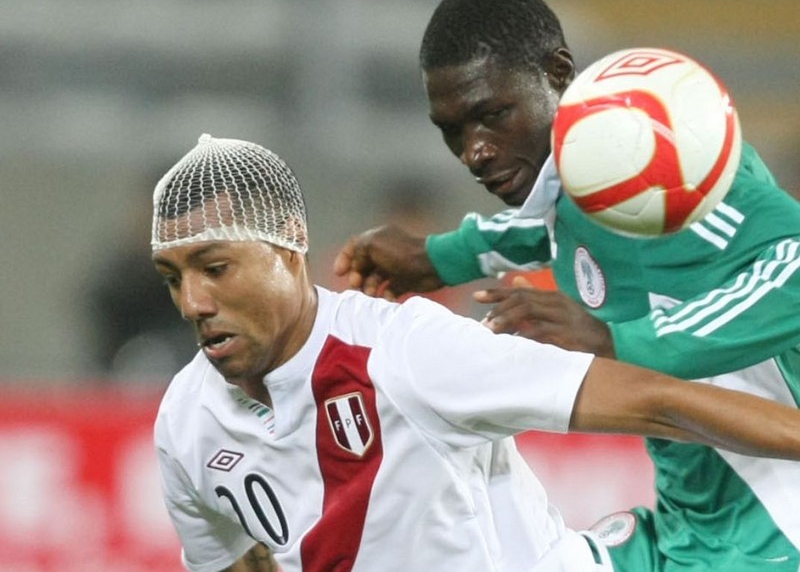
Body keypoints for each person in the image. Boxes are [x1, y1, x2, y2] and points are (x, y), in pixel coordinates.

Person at [150, 134, 800, 572]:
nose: (193, 301)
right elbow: (232, 558)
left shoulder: (408, 352)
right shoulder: (186, 420)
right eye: (174, 276)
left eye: (215, 266)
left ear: (288, 250)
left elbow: (655, 400)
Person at [332, 0, 800, 571]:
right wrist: (438, 256)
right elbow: (555, 223)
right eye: (451, 129)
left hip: (776, 530)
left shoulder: (672, 172)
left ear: (557, 74)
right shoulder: (590, 184)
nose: (473, 151)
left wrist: (614, 342)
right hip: (691, 524)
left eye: (491, 115)